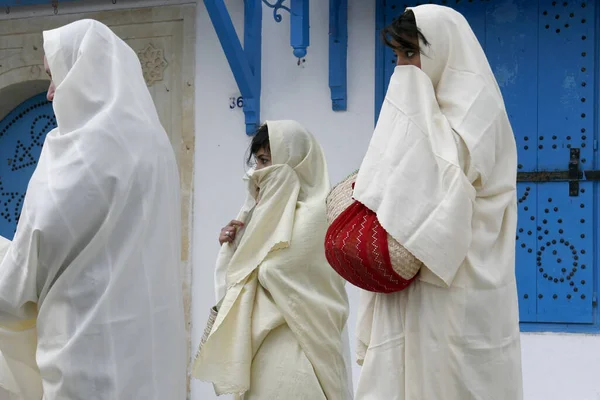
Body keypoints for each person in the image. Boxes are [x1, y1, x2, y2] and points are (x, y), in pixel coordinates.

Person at [0, 19, 186, 399]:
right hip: (149, 356)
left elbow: (23, 276)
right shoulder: (155, 146)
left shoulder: (75, 151)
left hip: (85, 358)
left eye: (56, 76)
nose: (50, 94)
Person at [352, 5, 523, 400]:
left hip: (462, 287)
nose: (402, 68)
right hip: (410, 284)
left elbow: (436, 189)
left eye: (411, 54)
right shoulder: (423, 112)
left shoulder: (477, 108)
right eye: (396, 56)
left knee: (455, 381)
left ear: (443, 50)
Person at [193, 121, 353, 400]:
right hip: (261, 353)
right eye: (257, 162)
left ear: (294, 161)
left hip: (299, 352)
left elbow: (274, 271)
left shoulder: (316, 215)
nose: (258, 173)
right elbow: (244, 274)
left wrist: (246, 252)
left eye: (266, 161)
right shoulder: (265, 212)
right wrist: (235, 245)